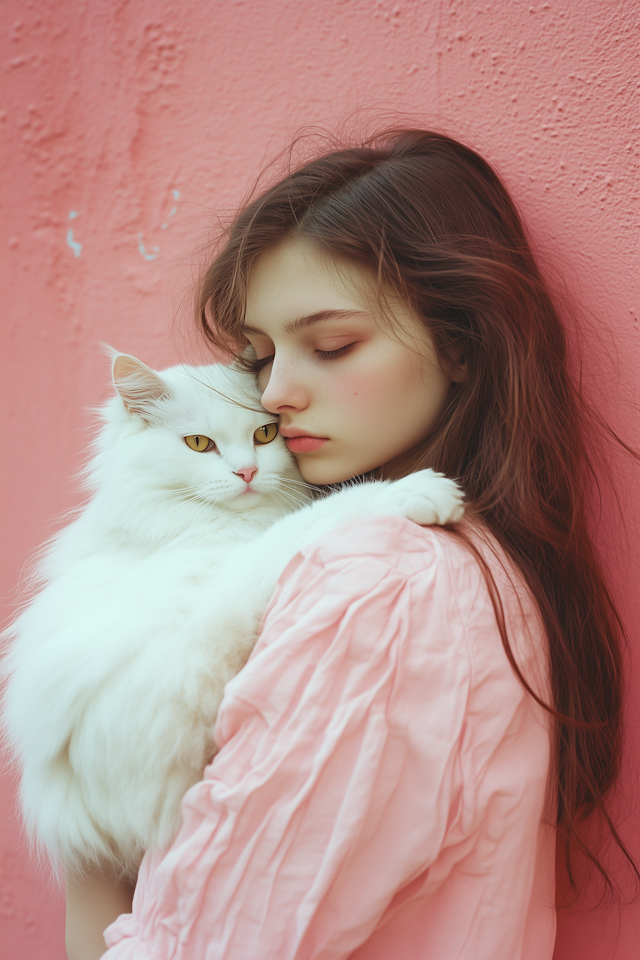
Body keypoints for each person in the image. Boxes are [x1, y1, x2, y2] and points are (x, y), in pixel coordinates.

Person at [66, 129, 636, 959]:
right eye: (258, 356)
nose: (278, 395)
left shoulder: (382, 580)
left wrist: (89, 824)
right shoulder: (470, 564)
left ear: (460, 343)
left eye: (331, 346)